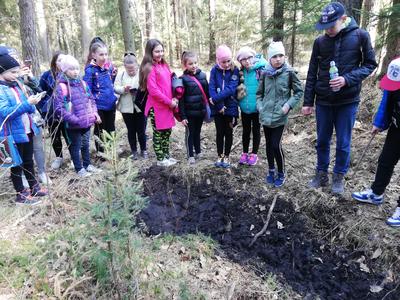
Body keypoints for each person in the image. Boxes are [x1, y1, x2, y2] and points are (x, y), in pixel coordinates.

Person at [302, 2, 377, 194]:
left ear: (343, 19)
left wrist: (347, 79)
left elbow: (370, 64)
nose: (327, 30)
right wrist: (308, 102)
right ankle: (321, 174)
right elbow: (312, 72)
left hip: (348, 100)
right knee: (322, 140)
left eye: (331, 26)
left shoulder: (361, 36)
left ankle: (338, 176)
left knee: (343, 142)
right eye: (324, 27)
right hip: (324, 101)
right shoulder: (320, 42)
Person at [352, 57, 400, 227]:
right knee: (385, 161)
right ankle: (376, 193)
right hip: (396, 128)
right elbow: (386, 103)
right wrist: (379, 123)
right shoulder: (394, 80)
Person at [0, 53, 47, 204]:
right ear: (2, 72)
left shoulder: (16, 85)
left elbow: (26, 105)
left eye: (17, 71)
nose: (16, 75)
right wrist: (28, 104)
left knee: (28, 160)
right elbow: (6, 112)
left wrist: (33, 103)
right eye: (13, 72)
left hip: (27, 130)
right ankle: (21, 194)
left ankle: (34, 187)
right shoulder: (1, 90)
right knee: (17, 164)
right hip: (12, 134)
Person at [256, 41, 303, 187]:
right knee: (268, 145)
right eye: (274, 56)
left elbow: (298, 92)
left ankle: (281, 172)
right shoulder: (264, 73)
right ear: (269, 59)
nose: (278, 59)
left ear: (285, 56)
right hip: (265, 116)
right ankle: (271, 170)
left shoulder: (289, 73)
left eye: (280, 55)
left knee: (276, 145)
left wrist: (288, 105)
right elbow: (259, 94)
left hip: (280, 116)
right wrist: (260, 106)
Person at [54, 55, 102, 177]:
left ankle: (87, 164)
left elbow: (91, 99)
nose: (75, 71)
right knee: (75, 146)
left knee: (85, 144)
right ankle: (79, 168)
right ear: (65, 70)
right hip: (73, 125)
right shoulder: (62, 87)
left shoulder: (83, 83)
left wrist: (94, 113)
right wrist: (74, 119)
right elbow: (59, 108)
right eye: (71, 69)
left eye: (76, 68)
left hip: (87, 122)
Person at [140, 39, 178, 167]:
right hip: (156, 107)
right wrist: (169, 102)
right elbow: (154, 91)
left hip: (167, 105)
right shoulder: (149, 68)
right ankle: (160, 158)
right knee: (159, 132)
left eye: (161, 50)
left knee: (167, 131)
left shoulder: (164, 65)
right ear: (150, 52)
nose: (160, 54)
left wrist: (175, 98)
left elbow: (168, 83)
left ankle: (166, 155)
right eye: (157, 51)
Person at [83, 41, 117, 155]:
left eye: (106, 54)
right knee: (100, 131)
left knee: (111, 129)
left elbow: (110, 84)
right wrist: (92, 110)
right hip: (98, 106)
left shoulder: (109, 68)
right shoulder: (90, 70)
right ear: (94, 55)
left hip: (111, 104)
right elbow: (87, 91)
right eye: (101, 54)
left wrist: (114, 75)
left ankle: (111, 151)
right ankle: (102, 153)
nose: (104, 57)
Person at [209, 44, 239, 168]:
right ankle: (220, 155)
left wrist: (215, 99)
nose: (226, 64)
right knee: (219, 132)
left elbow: (231, 89)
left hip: (231, 107)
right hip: (217, 108)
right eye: (223, 61)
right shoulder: (214, 70)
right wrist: (219, 104)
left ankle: (227, 156)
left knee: (229, 132)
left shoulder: (234, 70)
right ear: (218, 60)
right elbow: (211, 87)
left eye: (228, 60)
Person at [39, 52, 70, 170]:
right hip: (51, 113)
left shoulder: (69, 74)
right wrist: (45, 107)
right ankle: (59, 157)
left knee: (69, 135)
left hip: (66, 111)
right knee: (55, 135)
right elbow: (40, 93)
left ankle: (74, 157)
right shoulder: (46, 76)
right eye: (59, 60)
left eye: (63, 60)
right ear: (54, 62)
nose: (61, 62)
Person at [236, 46, 267, 166]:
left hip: (257, 108)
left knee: (256, 131)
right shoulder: (240, 72)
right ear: (240, 61)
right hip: (245, 108)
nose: (247, 61)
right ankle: (244, 153)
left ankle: (254, 153)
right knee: (246, 131)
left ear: (254, 57)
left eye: (249, 58)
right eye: (243, 59)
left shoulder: (260, 70)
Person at [177, 51, 209, 164]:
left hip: (200, 111)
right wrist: (183, 116)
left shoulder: (203, 76)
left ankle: (198, 151)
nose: (194, 65)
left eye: (195, 62)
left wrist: (207, 109)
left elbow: (207, 94)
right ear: (185, 65)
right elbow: (180, 100)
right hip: (189, 113)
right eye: (190, 63)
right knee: (190, 133)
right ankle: (190, 154)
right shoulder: (182, 79)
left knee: (197, 132)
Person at [114, 53, 147, 160]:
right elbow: (115, 88)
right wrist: (124, 89)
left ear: (137, 65)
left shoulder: (141, 74)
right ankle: (134, 151)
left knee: (141, 130)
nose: (131, 71)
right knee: (131, 130)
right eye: (129, 70)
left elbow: (146, 87)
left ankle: (144, 150)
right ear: (125, 67)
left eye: (133, 69)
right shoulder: (121, 75)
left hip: (140, 107)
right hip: (126, 108)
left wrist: (139, 90)